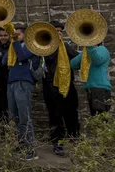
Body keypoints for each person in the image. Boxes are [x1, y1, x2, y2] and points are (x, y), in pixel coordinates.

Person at [42, 21, 80, 156]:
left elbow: (77, 58)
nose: (58, 33)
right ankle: (57, 143)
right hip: (50, 85)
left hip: (68, 85)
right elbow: (46, 60)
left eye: (60, 31)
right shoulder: (44, 46)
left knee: (72, 114)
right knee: (55, 116)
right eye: (55, 31)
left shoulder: (66, 46)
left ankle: (75, 139)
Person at [3, 24, 39, 161]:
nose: (15, 36)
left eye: (17, 34)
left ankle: (31, 149)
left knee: (25, 116)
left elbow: (22, 56)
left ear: (25, 35)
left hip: (24, 82)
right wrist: (13, 44)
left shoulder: (32, 46)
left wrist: (15, 42)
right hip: (12, 82)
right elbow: (4, 61)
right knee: (14, 116)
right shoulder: (15, 46)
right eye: (14, 34)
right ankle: (21, 145)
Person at [71, 43, 111, 116]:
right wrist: (85, 52)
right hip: (91, 90)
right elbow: (73, 64)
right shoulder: (88, 51)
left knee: (101, 120)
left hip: (100, 89)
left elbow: (97, 61)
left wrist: (89, 45)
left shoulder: (102, 49)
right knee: (95, 119)